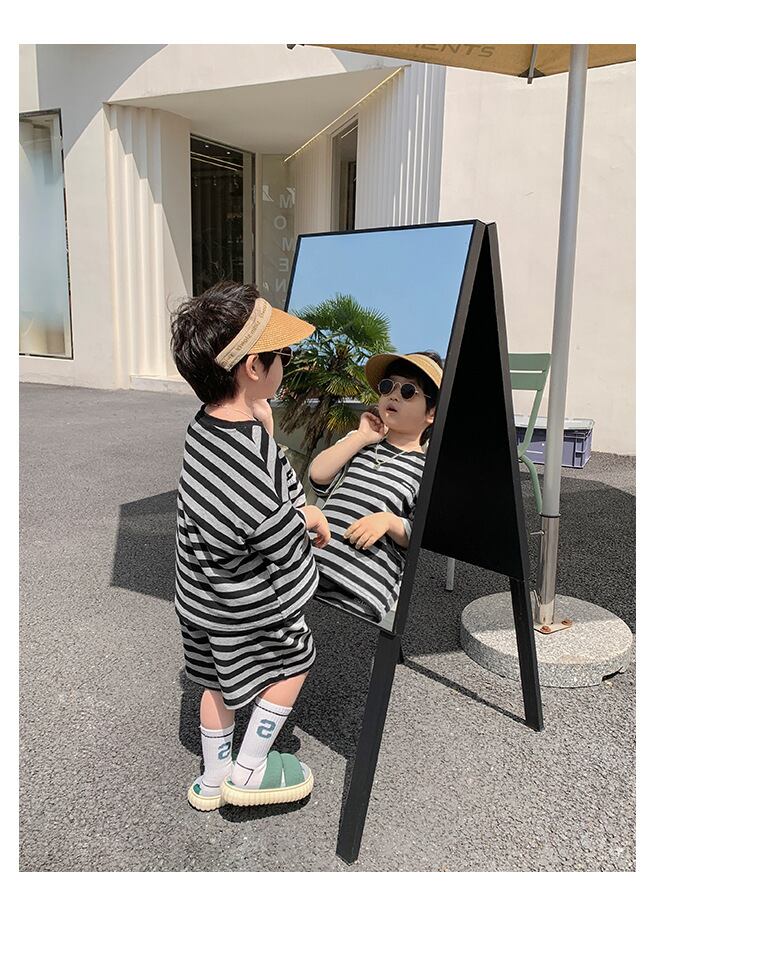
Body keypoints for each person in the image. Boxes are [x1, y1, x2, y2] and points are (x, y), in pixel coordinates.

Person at [169, 281, 330, 811]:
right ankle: (249, 769)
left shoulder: (205, 427)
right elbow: (277, 535)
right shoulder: (245, 455)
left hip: (202, 599)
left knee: (215, 682)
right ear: (254, 367)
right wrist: (308, 517)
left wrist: (266, 429)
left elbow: (254, 491)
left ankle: (213, 779)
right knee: (294, 663)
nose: (287, 365)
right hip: (243, 602)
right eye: (283, 356)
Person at [307, 351, 443, 623]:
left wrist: (389, 521)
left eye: (408, 391)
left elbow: (420, 532)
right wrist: (361, 437)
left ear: (431, 413)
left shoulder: (425, 469)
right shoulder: (361, 444)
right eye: (387, 386)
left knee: (339, 637)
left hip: (361, 583)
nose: (394, 396)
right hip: (311, 564)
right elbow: (318, 475)